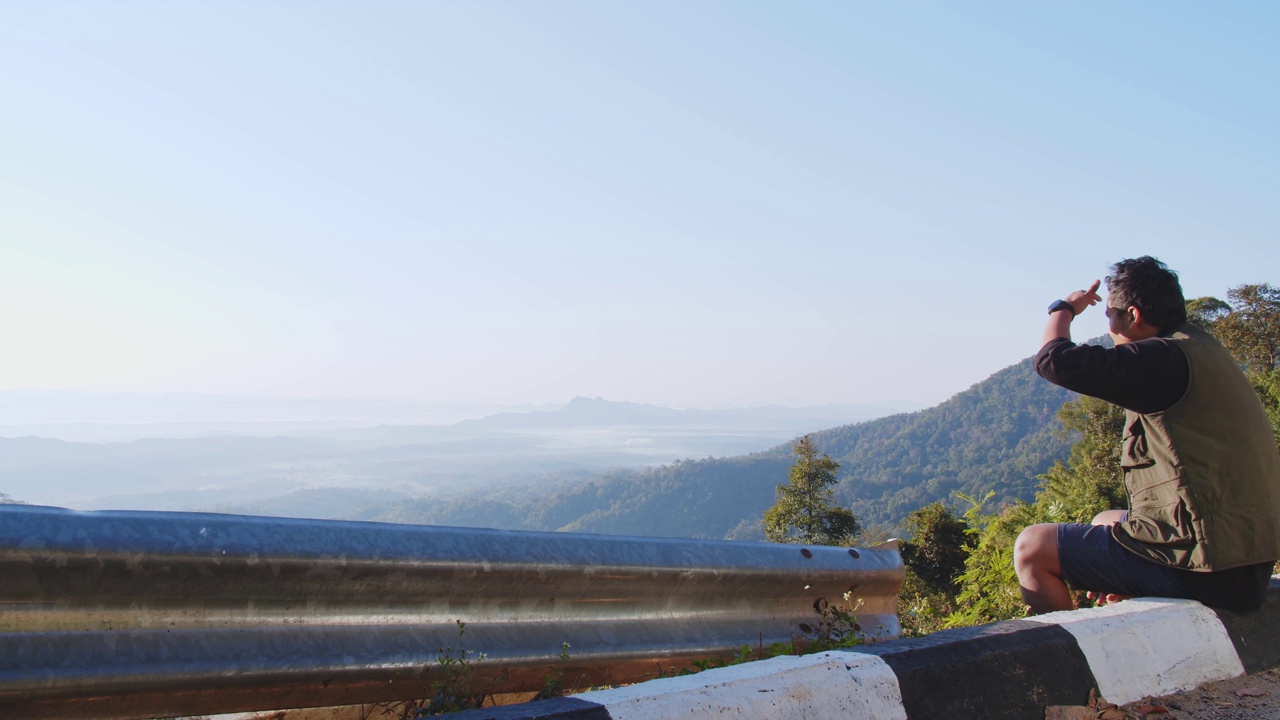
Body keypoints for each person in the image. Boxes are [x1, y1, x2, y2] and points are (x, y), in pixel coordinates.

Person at [1013, 256, 1280, 615]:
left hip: (1207, 570)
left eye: (1110, 316)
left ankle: (1062, 658)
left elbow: (1053, 360)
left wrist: (1063, 309)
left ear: (1133, 316)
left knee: (1033, 547)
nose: (1109, 328)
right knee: (1104, 520)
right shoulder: (1202, 348)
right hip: (1249, 561)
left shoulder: (1162, 360)